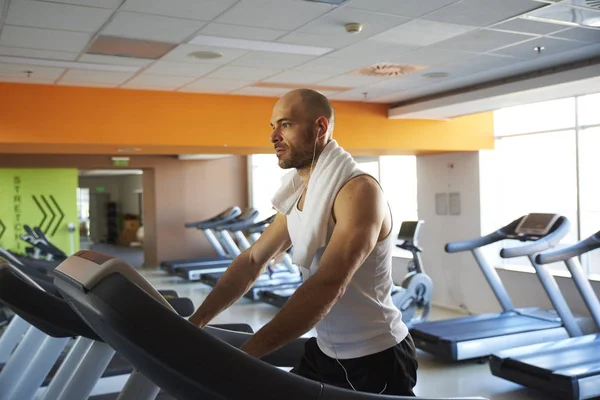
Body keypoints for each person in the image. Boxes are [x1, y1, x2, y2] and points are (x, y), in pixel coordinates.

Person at [189, 88, 418, 395]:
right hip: (324, 351)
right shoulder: (301, 193)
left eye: (285, 124)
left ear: (320, 127)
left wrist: (245, 355)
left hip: (375, 358)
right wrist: (195, 323)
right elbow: (253, 260)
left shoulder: (358, 192)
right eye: (272, 126)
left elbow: (328, 285)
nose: (273, 137)